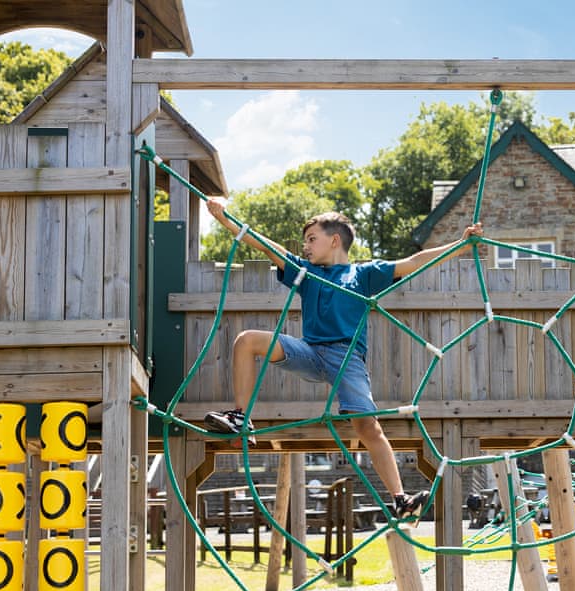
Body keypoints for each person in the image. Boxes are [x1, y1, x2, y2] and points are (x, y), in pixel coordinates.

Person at [202, 199, 483, 521]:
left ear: (334, 240)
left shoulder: (363, 274)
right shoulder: (306, 273)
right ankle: (241, 417)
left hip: (347, 358)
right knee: (246, 340)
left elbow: (413, 262)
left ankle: (400, 498)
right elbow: (268, 247)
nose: (305, 246)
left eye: (311, 239)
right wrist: (225, 220)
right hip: (308, 351)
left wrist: (459, 246)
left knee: (367, 426)